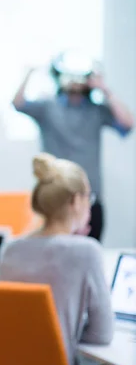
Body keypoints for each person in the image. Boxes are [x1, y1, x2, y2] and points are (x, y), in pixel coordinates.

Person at [0, 153, 116, 365]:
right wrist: (66, 330)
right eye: (88, 197)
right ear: (74, 201)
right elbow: (102, 334)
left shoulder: (9, 250)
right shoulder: (86, 251)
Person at [12, 64, 133, 242]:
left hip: (89, 200)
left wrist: (105, 89)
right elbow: (18, 103)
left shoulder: (97, 110)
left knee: (89, 253)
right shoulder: (48, 107)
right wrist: (30, 73)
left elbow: (128, 124)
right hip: (56, 201)